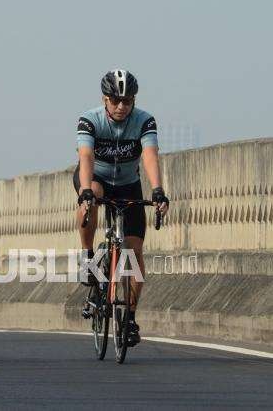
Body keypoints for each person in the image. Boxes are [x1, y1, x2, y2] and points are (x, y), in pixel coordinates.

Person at [75, 69, 170, 346]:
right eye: (115, 101)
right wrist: (84, 191)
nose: (121, 107)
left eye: (127, 101)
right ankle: (88, 256)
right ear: (105, 99)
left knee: (134, 253)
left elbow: (151, 155)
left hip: (128, 183)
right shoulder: (89, 120)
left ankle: (128, 318)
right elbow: (86, 156)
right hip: (96, 177)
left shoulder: (144, 121)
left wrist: (158, 190)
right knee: (91, 195)